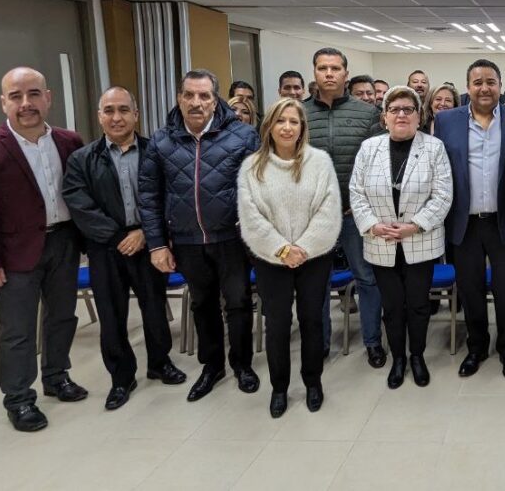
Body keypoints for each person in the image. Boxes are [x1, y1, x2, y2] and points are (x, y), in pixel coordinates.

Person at [0, 67, 86, 432]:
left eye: (33, 94)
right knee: (17, 330)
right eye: (16, 96)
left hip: (64, 243)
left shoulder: (69, 141)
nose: (26, 104)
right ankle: (19, 399)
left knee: (62, 317)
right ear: (3, 102)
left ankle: (56, 376)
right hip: (13, 253)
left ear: (48, 98)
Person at [62, 87, 186, 412]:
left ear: (136, 114)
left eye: (123, 110)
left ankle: (160, 363)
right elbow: (79, 204)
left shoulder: (156, 152)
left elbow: (171, 195)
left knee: (155, 309)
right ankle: (121, 377)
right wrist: (120, 236)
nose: (116, 117)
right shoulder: (82, 160)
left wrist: (146, 233)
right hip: (106, 250)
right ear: (99, 116)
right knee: (112, 316)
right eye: (109, 111)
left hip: (151, 245)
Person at [141, 69, 261, 402]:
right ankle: (212, 367)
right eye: (189, 95)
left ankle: (242, 365)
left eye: (204, 96)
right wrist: (157, 244)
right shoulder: (161, 141)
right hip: (186, 240)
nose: (196, 103)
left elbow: (259, 189)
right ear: (179, 98)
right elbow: (149, 195)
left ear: (215, 99)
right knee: (202, 304)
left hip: (231, 239)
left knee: (237, 303)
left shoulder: (243, 136)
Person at [238, 97, 341, 418]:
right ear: (269, 126)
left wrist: (304, 248)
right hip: (271, 259)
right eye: (280, 121)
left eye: (293, 122)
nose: (287, 127)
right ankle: (279, 388)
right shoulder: (252, 166)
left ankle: (313, 382)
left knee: (312, 321)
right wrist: (282, 249)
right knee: (278, 324)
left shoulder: (320, 162)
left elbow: (329, 209)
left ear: (302, 128)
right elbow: (250, 217)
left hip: (314, 257)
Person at [434, 59, 505, 380]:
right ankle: (476, 346)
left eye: (490, 82)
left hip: (504, 220)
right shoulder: (446, 120)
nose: (484, 88)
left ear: (500, 85)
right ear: (468, 87)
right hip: (464, 223)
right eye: (477, 82)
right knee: (470, 289)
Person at [350, 87, 453, 389]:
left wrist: (415, 225)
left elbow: (443, 195)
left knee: (418, 304)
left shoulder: (434, 148)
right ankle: (398, 358)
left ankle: (417, 356)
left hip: (420, 240)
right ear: (384, 117)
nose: (401, 115)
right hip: (380, 241)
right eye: (394, 109)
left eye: (408, 109)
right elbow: (356, 193)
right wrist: (371, 225)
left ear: (419, 116)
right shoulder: (369, 148)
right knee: (392, 306)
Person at [303, 48, 386, 366]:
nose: (328, 73)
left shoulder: (366, 114)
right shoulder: (299, 113)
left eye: (335, 68)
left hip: (356, 215)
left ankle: (373, 342)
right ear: (314, 72)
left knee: (367, 279)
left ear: (345, 74)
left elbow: (379, 165)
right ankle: (320, 344)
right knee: (317, 284)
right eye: (322, 68)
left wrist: (367, 207)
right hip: (316, 218)